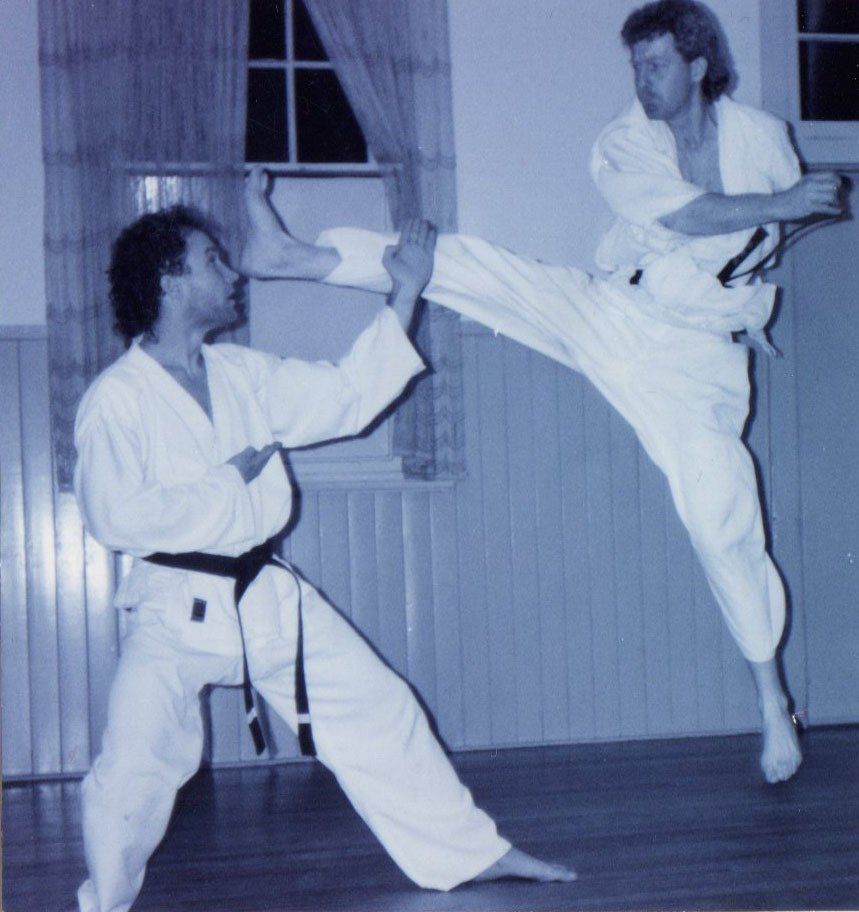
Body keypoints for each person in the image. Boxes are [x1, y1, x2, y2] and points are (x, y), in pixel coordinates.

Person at [238, 0, 846, 785]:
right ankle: (294, 257)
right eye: (634, 66)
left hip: (698, 363)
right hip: (618, 312)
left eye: (656, 64)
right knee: (480, 268)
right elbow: (694, 216)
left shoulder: (761, 137)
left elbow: (781, 223)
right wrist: (781, 207)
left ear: (698, 65)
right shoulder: (622, 142)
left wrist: (783, 236)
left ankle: (770, 702)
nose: (641, 81)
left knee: (721, 517)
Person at [73, 207, 576, 911]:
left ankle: (471, 853)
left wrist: (404, 292)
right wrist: (227, 484)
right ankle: (103, 903)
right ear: (169, 280)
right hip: (173, 607)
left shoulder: (241, 373)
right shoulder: (116, 400)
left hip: (264, 595)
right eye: (213, 260)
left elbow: (346, 396)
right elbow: (115, 516)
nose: (232, 272)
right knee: (133, 768)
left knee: (378, 707)